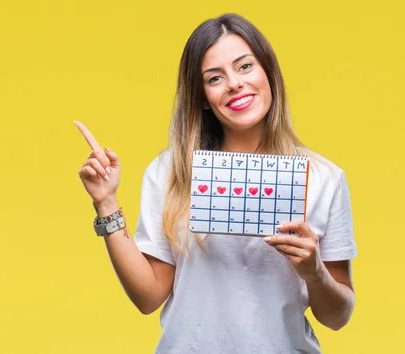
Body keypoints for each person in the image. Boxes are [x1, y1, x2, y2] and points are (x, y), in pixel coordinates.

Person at [75, 13, 357, 354]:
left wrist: (315, 273)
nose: (234, 84)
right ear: (203, 97)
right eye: (214, 78)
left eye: (245, 66)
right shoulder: (170, 171)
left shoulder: (324, 178)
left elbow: (338, 316)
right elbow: (149, 297)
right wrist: (106, 202)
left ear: (268, 71)